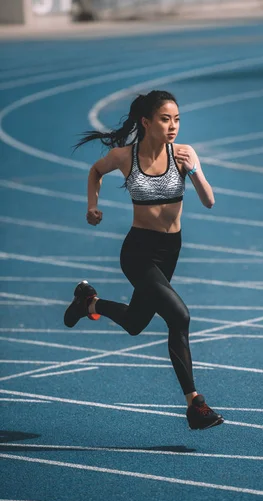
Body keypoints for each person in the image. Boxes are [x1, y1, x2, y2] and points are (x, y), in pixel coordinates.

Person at [64, 90, 224, 430]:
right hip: (137, 252)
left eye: (177, 119)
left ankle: (88, 302)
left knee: (136, 323)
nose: (173, 126)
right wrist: (92, 206)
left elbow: (209, 200)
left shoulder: (184, 153)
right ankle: (195, 404)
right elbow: (95, 171)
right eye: (165, 119)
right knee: (179, 318)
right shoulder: (125, 156)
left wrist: (193, 170)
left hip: (170, 251)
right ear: (146, 122)